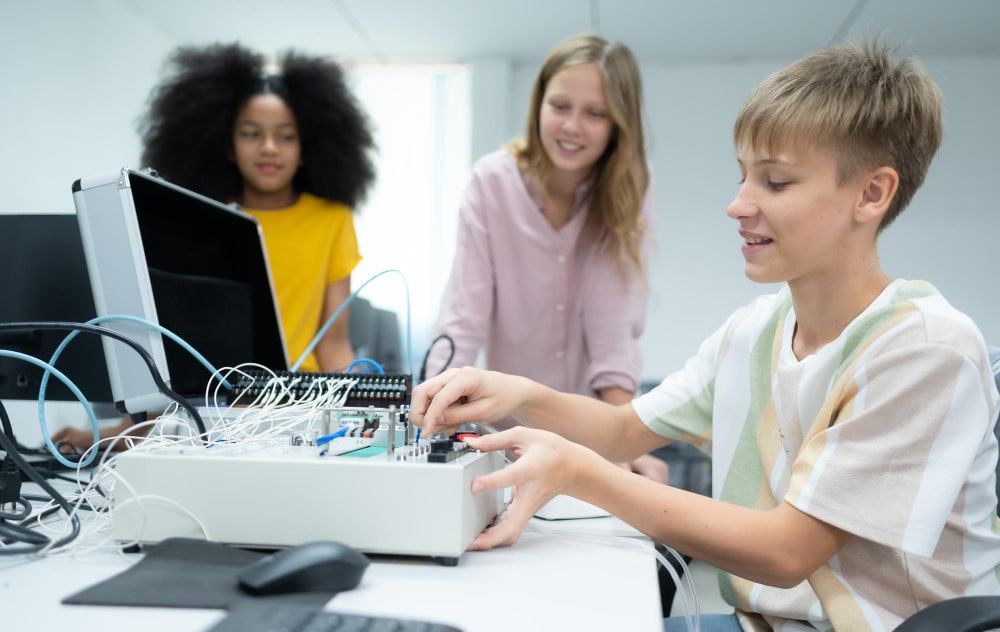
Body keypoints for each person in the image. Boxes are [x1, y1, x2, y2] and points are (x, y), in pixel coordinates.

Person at [410, 37, 1000, 632]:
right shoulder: (752, 331)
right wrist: (516, 393)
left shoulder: (925, 350)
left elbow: (785, 553)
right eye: (743, 177)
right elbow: (621, 430)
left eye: (774, 182)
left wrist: (579, 472)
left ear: (871, 193)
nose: (738, 205)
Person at [53, 42, 376, 451]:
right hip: (216, 408)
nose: (269, 147)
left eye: (286, 136)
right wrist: (122, 431)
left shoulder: (333, 220)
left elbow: (333, 345)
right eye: (251, 133)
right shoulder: (204, 220)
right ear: (227, 145)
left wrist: (367, 415)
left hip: (296, 409)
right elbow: (176, 347)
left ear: (305, 148)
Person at [425, 34, 666, 483]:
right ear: (538, 105)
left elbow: (613, 327)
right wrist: (435, 405)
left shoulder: (631, 187)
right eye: (560, 106)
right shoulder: (492, 182)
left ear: (618, 123)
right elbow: (463, 318)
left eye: (594, 113)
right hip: (499, 436)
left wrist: (626, 444)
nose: (572, 126)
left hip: (587, 441)